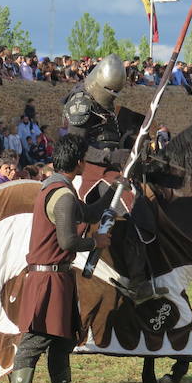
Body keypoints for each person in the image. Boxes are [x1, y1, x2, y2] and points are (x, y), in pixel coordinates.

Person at [7, 135, 113, 383]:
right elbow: (68, 242)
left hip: (59, 278)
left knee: (63, 341)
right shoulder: (62, 195)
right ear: (78, 163)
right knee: (34, 341)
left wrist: (112, 191)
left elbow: (88, 212)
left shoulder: (59, 189)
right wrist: (96, 243)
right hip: (47, 280)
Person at [62, 54, 163, 303]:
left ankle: (144, 270)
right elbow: (78, 148)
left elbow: (112, 133)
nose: (112, 94)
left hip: (110, 168)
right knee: (130, 203)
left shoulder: (103, 102)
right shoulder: (81, 103)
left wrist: (135, 145)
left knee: (147, 202)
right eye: (110, 89)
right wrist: (115, 155)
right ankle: (136, 278)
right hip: (87, 168)